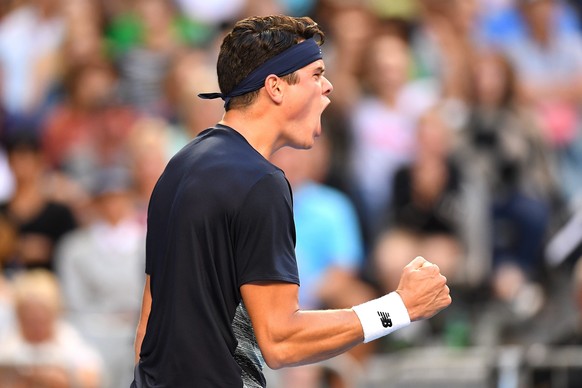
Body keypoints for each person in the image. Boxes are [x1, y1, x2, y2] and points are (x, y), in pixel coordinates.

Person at [131, 15, 451, 388]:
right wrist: (398, 307)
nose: (328, 87)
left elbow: (147, 331)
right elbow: (280, 340)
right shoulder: (260, 182)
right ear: (276, 88)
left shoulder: (179, 166)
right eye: (316, 74)